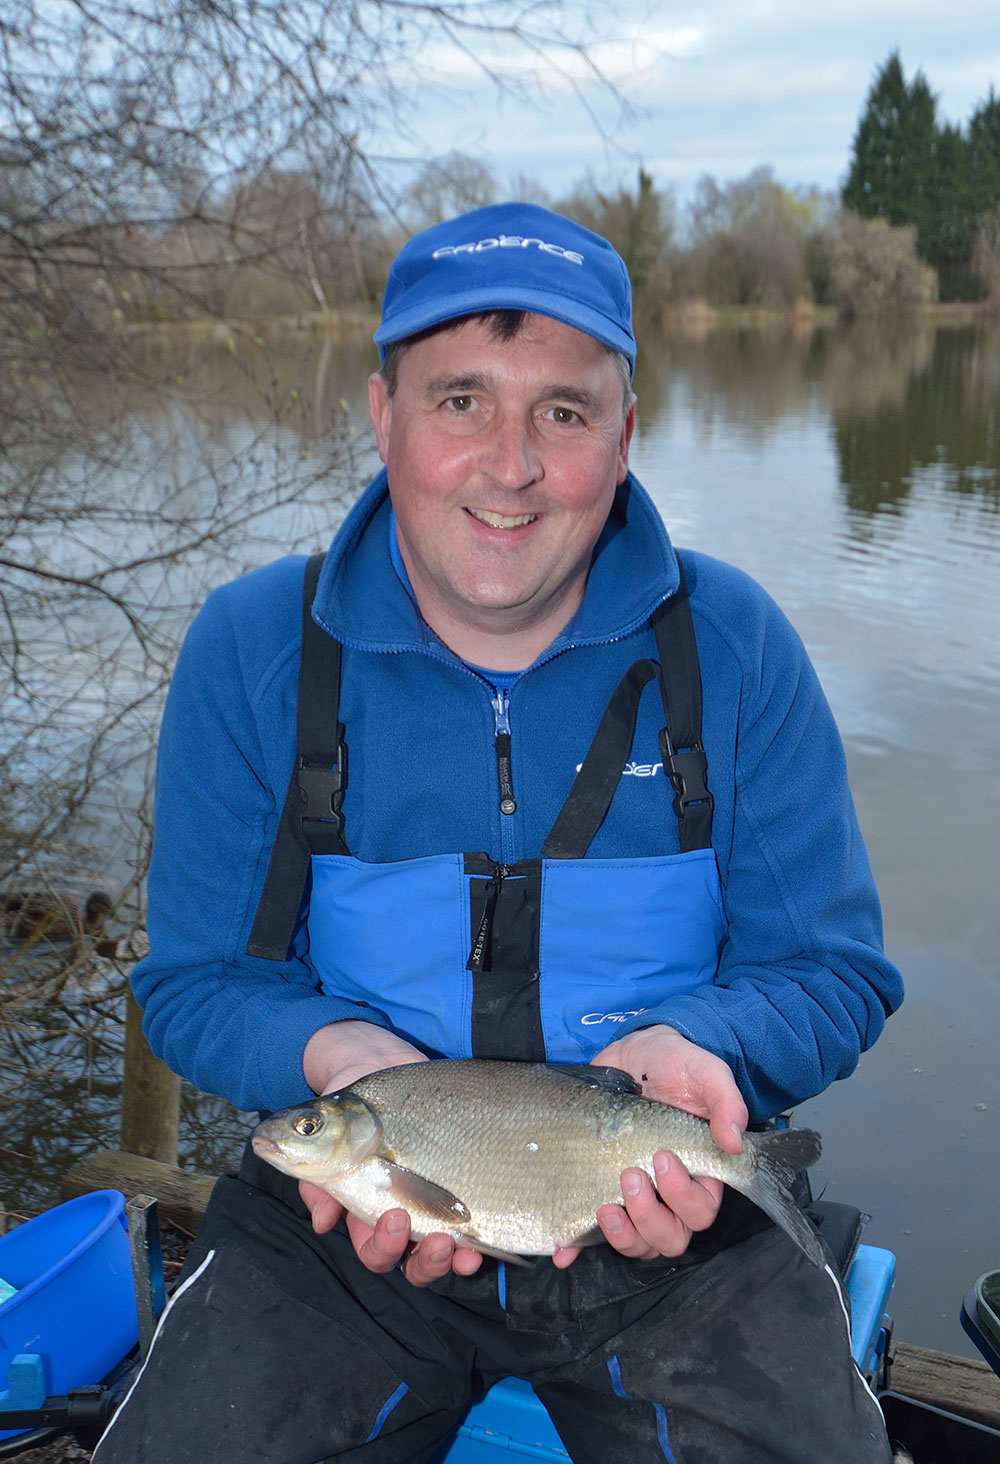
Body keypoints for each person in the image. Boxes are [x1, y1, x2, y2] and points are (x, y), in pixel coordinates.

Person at [93, 203, 902, 1463]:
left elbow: (837, 974)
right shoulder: (255, 650)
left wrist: (705, 1044)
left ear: (625, 436)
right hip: (343, 1228)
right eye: (460, 399)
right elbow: (197, 987)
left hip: (673, 1226)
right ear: (382, 412)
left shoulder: (731, 648)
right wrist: (330, 1058)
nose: (510, 464)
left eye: (564, 413)